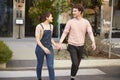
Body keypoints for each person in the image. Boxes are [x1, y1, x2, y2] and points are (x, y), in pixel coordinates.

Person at [58, 4, 96, 80]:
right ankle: (72, 78)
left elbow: (90, 33)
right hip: (72, 45)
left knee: (77, 65)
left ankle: (72, 77)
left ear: (80, 12)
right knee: (75, 63)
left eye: (75, 11)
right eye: (73, 11)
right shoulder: (70, 22)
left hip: (81, 46)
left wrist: (93, 42)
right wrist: (60, 43)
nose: (73, 12)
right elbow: (65, 32)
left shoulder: (86, 22)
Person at [35, 11, 57, 80]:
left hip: (49, 48)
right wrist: (44, 48)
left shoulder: (51, 26)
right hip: (40, 48)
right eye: (51, 16)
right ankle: (39, 78)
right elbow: (37, 40)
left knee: (50, 66)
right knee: (39, 65)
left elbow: (50, 38)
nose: (52, 18)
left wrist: (55, 45)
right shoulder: (39, 26)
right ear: (47, 17)